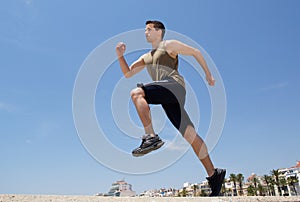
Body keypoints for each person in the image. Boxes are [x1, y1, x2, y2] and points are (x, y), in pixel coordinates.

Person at [116, 20, 225, 196]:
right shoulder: (146, 57)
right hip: (168, 97)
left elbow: (195, 52)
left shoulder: (169, 45)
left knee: (137, 93)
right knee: (190, 135)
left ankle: (150, 136)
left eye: (149, 29)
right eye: (145, 30)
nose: (145, 32)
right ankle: (214, 175)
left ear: (159, 32)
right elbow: (128, 72)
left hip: (174, 86)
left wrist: (208, 74)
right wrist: (120, 56)